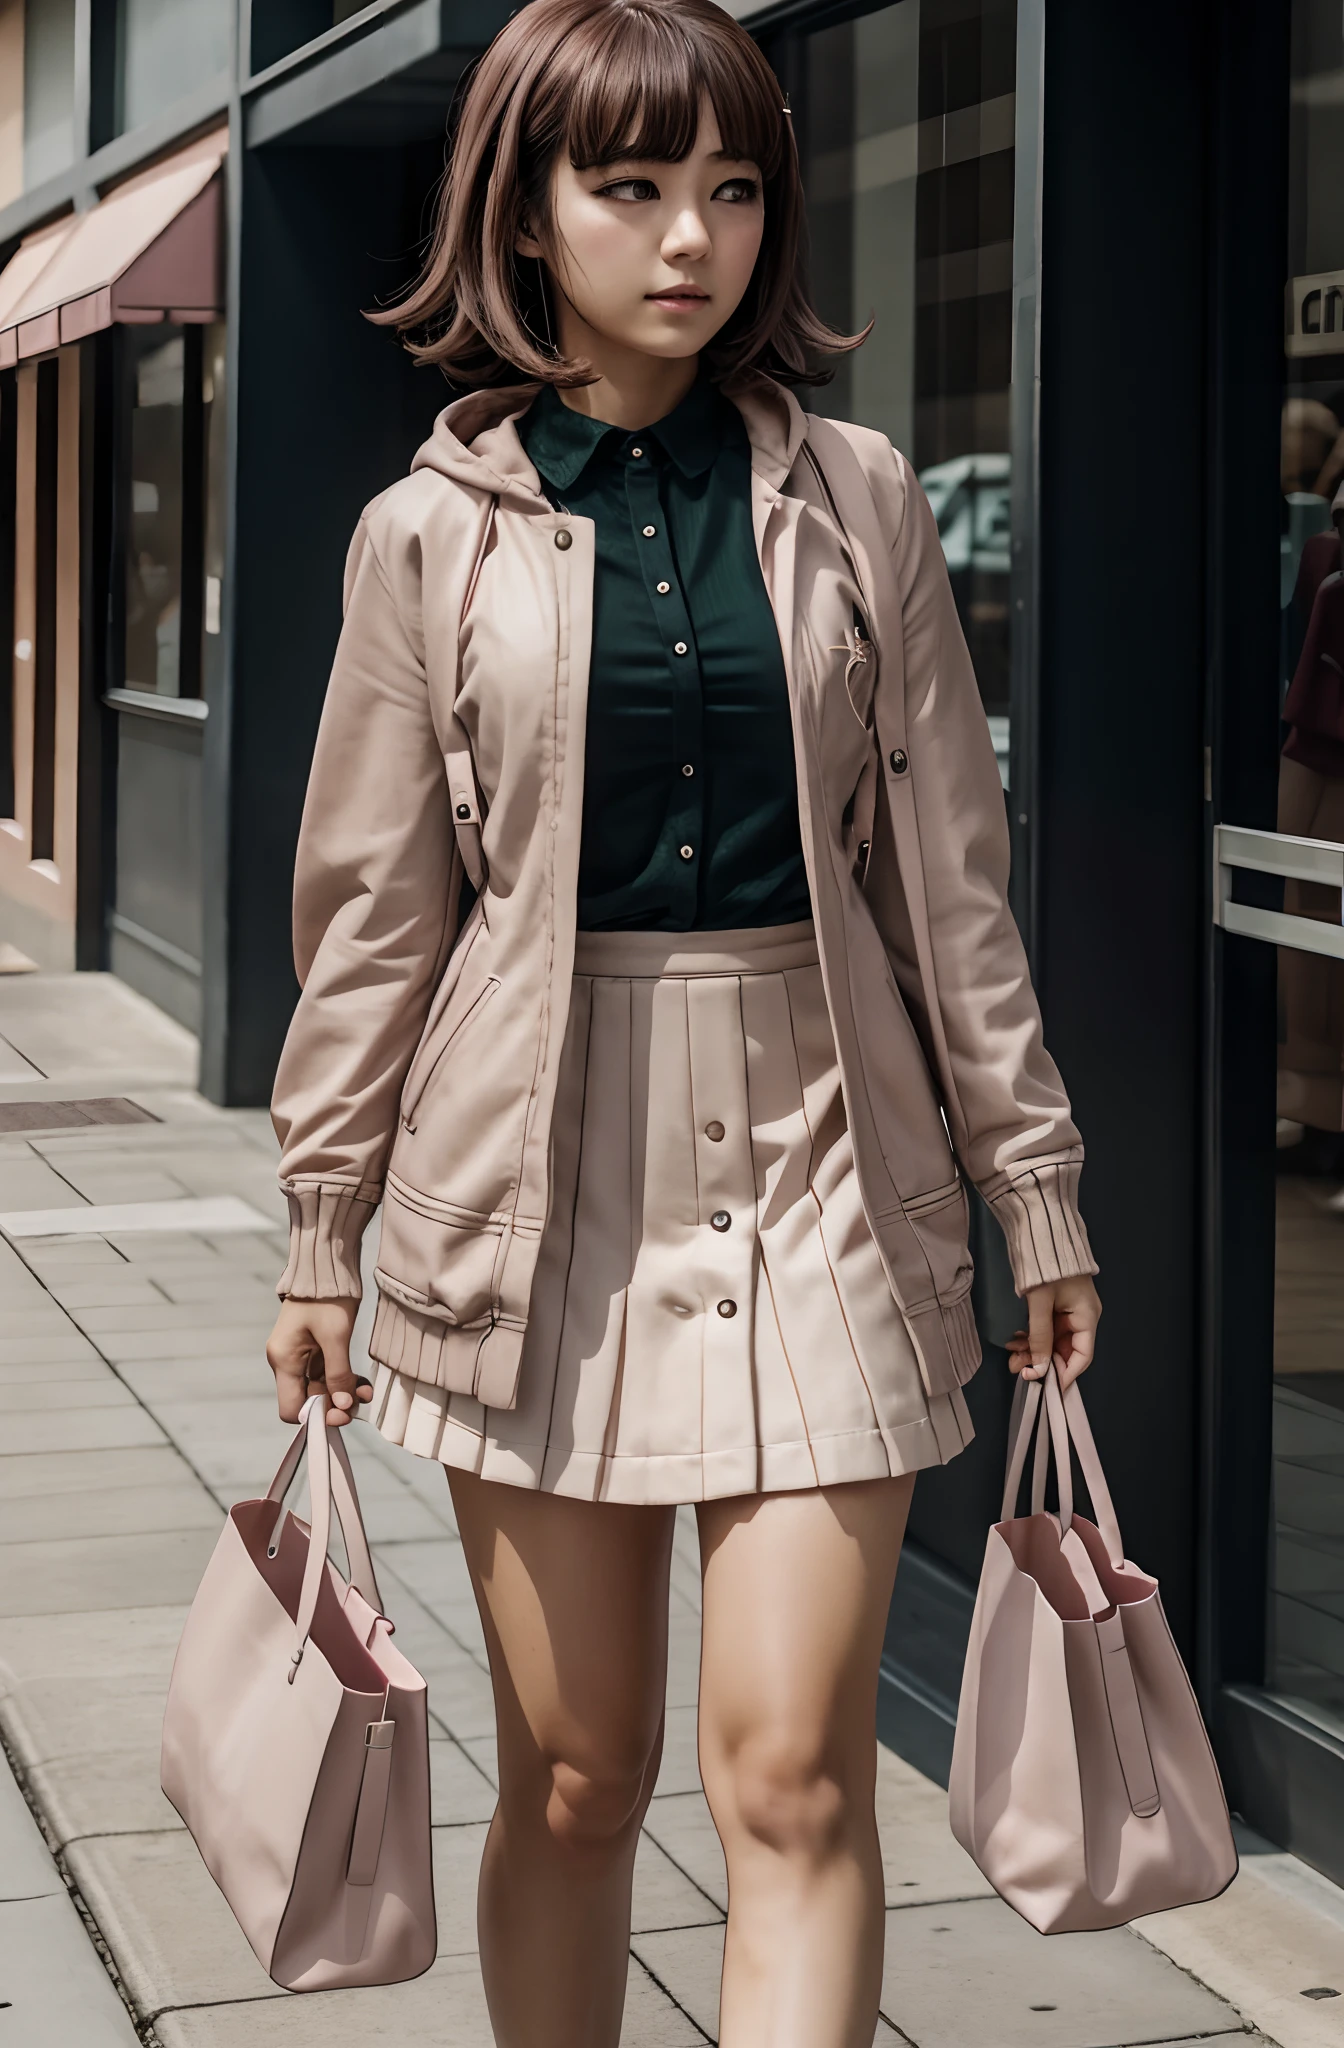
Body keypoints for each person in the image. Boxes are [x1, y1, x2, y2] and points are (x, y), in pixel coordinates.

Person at [264, 1, 1101, 2039]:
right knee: (573, 1772)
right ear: (526, 216)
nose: (689, 236)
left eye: (731, 187)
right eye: (629, 186)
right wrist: (318, 1221)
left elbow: (950, 880)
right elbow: (378, 913)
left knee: (795, 1770)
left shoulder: (863, 500)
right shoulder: (425, 537)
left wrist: (1036, 1179)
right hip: (531, 1166)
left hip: (826, 1143)